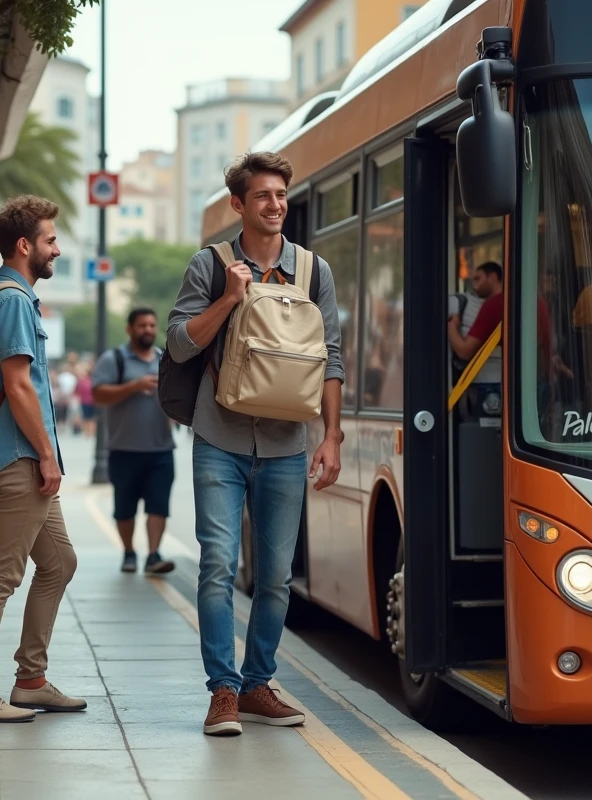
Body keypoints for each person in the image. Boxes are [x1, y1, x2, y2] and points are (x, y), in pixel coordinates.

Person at [166, 152, 344, 737]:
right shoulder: (210, 266)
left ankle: (257, 682)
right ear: (239, 205)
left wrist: (331, 436)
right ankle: (223, 689)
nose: (275, 205)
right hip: (218, 438)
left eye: (281, 195)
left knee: (273, 575)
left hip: (288, 444)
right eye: (262, 196)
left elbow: (331, 358)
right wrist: (228, 299)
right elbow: (180, 345)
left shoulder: (314, 272)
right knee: (217, 563)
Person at [0, 195, 85, 725]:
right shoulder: (11, 301)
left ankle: (30, 679)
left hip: (17, 457)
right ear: (25, 245)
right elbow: (19, 386)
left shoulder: (5, 296)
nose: (57, 248)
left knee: (59, 563)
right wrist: (48, 457)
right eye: (51, 240)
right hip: (19, 460)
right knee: (0, 577)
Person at [92, 308, 177, 576]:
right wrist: (134, 386)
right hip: (123, 450)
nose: (148, 330)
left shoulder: (166, 359)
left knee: (159, 505)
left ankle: (153, 556)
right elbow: (98, 395)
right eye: (142, 325)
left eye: (152, 325)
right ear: (129, 329)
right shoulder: (114, 359)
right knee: (125, 508)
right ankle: (129, 552)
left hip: (161, 449)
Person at [447, 262, 504, 417]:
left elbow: (464, 351)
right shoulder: (535, 303)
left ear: (492, 277)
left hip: (489, 384)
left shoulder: (493, 306)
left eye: (478, 279)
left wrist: (452, 325)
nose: (474, 285)